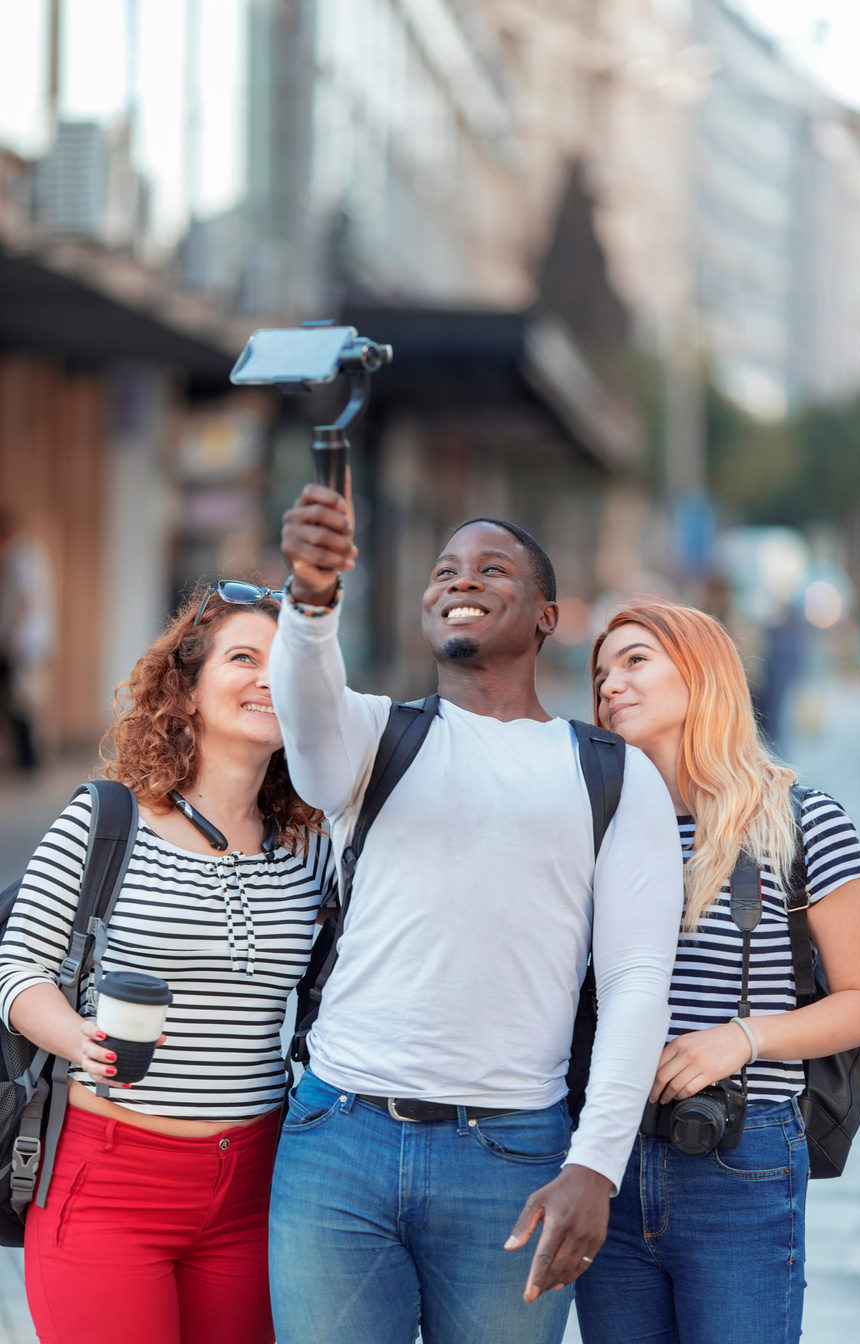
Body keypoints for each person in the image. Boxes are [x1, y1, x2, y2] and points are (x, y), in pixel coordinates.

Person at [266, 481, 684, 1344]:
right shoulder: (374, 735)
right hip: (337, 1140)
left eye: (494, 569)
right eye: (446, 568)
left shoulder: (611, 773)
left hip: (511, 1157)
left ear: (546, 616)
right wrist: (310, 604)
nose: (461, 579)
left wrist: (595, 1167)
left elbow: (639, 981)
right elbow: (304, 718)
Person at [0, 581, 336, 1344]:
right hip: (109, 1181)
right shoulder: (106, 819)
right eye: (243, 658)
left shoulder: (310, 851)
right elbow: (17, 968)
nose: (266, 679)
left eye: (285, 667)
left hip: (257, 1184)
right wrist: (79, 1039)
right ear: (185, 692)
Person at [576, 599, 860, 1344]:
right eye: (600, 673)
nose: (610, 684)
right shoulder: (594, 822)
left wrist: (739, 1038)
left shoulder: (801, 822)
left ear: (701, 671)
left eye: (635, 660)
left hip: (738, 1161)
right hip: (606, 1159)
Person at [0, 509, 55, 771]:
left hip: (23, 642)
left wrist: (10, 637)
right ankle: (29, 759)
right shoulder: (33, 553)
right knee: (28, 698)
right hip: (36, 640)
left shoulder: (19, 556)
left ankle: (29, 760)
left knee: (23, 700)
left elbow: (23, 601)